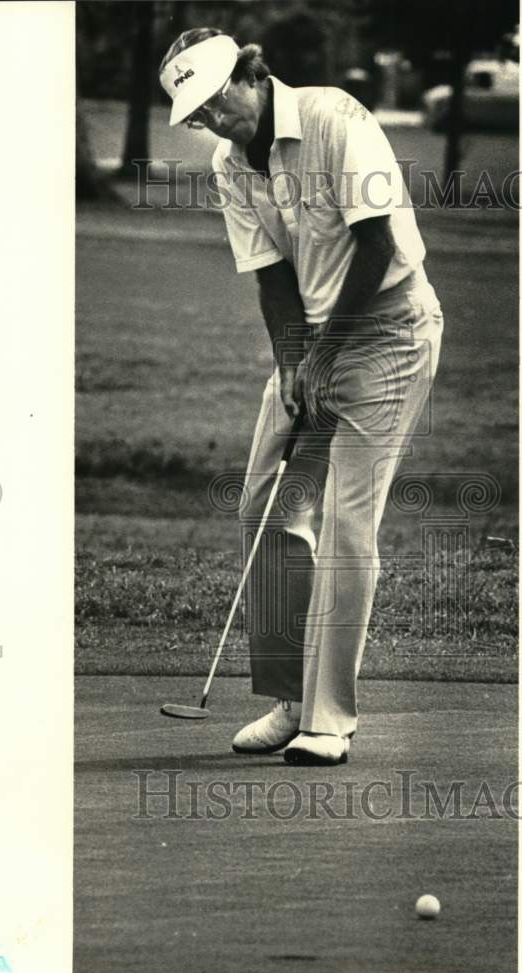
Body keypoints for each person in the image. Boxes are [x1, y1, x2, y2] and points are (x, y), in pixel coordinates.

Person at [158, 29, 444, 765]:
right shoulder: (231, 167)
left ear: (253, 75)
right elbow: (272, 276)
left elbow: (376, 243)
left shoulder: (334, 118)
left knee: (347, 522)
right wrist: (294, 364)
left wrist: (323, 353)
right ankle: (290, 700)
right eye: (199, 116)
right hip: (315, 342)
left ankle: (330, 720)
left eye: (219, 101)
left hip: (388, 331)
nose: (216, 122)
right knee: (268, 506)